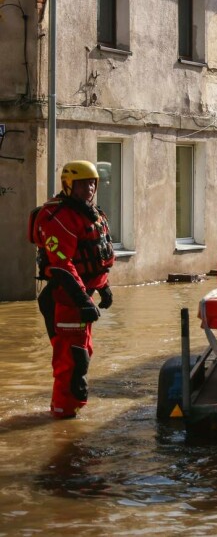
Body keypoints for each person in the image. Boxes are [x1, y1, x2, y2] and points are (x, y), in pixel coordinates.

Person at [30, 160, 115, 419]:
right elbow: (62, 265)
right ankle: (61, 417)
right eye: (82, 184)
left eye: (92, 183)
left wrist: (104, 288)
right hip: (65, 298)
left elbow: (94, 257)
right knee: (71, 361)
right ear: (69, 185)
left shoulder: (91, 213)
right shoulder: (58, 217)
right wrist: (82, 300)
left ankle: (70, 415)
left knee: (81, 355)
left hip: (81, 298)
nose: (89, 188)